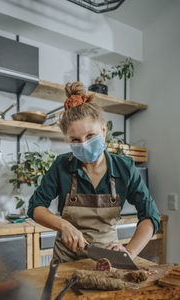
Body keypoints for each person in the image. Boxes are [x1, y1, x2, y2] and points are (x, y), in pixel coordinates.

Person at [27, 81, 160, 263]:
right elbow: (35, 207)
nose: (83, 144)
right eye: (75, 139)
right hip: (66, 261)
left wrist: (128, 252)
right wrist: (63, 225)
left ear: (104, 131)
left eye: (90, 136)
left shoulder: (125, 167)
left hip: (108, 260)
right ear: (67, 140)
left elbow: (150, 215)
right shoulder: (61, 165)